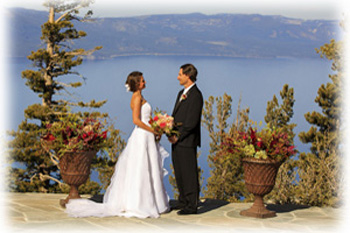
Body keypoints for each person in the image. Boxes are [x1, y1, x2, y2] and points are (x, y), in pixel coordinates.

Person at [65, 71, 170, 218]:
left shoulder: (138, 96)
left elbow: (145, 118)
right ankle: (140, 203)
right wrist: (153, 130)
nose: (145, 82)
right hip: (142, 135)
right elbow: (136, 120)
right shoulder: (137, 97)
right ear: (137, 83)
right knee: (142, 168)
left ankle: (151, 201)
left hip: (146, 135)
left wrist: (156, 129)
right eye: (142, 81)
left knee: (148, 167)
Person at [168, 64, 203, 215]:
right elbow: (176, 117)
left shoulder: (196, 95)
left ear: (188, 76)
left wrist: (178, 136)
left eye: (180, 74)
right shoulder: (181, 93)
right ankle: (183, 200)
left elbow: (191, 122)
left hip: (187, 141)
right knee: (180, 171)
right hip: (177, 140)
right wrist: (169, 131)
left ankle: (191, 205)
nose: (178, 77)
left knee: (189, 173)